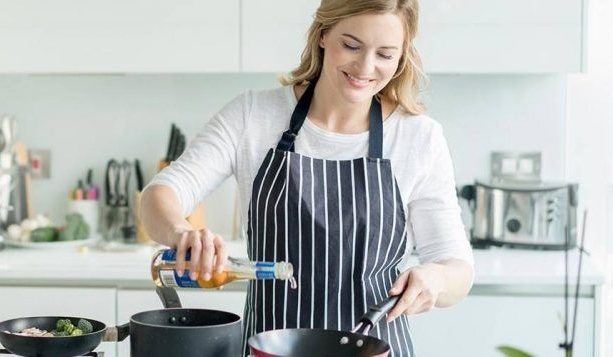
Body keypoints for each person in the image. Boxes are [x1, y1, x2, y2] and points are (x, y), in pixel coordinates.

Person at [139, 0, 474, 355]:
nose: (365, 67)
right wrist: (181, 232)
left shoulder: (418, 137)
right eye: (352, 45)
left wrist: (434, 278)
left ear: (403, 55)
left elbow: (457, 268)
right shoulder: (253, 115)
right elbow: (160, 194)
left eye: (385, 54)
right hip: (269, 350)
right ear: (323, 35)